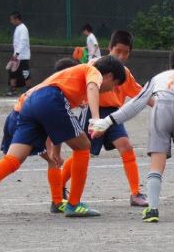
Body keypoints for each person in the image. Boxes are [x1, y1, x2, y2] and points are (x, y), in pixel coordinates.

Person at [0, 56, 127, 224]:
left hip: (30, 104)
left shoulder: (71, 82)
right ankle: (74, 204)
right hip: (51, 98)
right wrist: (96, 119)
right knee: (84, 146)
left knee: (13, 159)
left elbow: (55, 122)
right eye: (114, 85)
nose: (111, 90)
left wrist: (55, 150)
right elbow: (92, 87)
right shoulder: (93, 71)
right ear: (109, 76)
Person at [89, 47, 174, 223]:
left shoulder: (157, 78)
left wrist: (108, 121)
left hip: (161, 109)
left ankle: (152, 209)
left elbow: (136, 104)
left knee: (157, 162)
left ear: (170, 64)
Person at [61, 30, 148, 207]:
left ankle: (135, 193)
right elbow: (87, 88)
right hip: (93, 111)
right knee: (84, 151)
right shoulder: (94, 66)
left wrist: (162, 104)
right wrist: (94, 118)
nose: (121, 56)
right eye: (118, 51)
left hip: (113, 114)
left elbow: (142, 95)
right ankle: (59, 186)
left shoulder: (124, 73)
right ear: (109, 48)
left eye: (126, 53)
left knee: (126, 146)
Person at [0, 57, 80, 216]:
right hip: (25, 122)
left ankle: (57, 201)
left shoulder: (47, 85)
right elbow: (53, 125)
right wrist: (54, 150)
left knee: (15, 162)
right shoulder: (55, 92)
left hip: (15, 117)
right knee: (14, 162)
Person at [6, 11, 31, 97]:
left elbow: (23, 42)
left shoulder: (23, 28)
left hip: (23, 56)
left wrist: (17, 53)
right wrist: (15, 54)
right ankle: (13, 90)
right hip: (17, 56)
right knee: (12, 72)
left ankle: (29, 90)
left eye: (12, 19)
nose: (11, 21)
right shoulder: (18, 28)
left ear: (17, 19)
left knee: (25, 73)